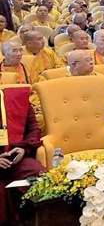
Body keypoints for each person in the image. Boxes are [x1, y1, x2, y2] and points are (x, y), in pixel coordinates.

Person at [0, 86, 44, 224]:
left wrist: (23, 147)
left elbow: (33, 129)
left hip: (15, 158)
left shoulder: (17, 97)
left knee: (39, 175)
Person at [66, 50, 104, 128]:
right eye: (87, 60)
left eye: (91, 59)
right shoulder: (65, 84)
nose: (91, 62)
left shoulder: (102, 79)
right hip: (80, 121)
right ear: (74, 65)